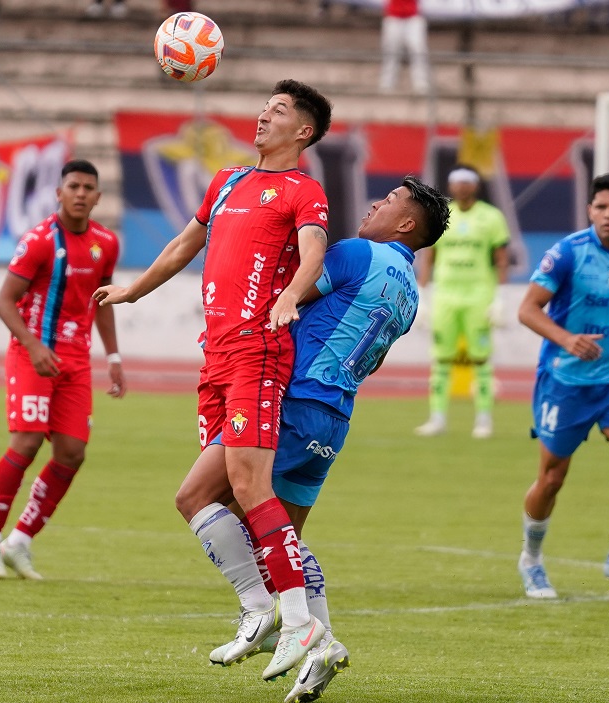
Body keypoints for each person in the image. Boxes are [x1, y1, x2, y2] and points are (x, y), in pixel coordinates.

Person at [175, 177, 450, 702]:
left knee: (195, 497)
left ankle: (259, 613)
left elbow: (289, 292)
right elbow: (374, 358)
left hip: (292, 404)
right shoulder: (410, 293)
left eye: (390, 200)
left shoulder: (357, 254)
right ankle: (323, 647)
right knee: (282, 539)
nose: (376, 203)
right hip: (335, 418)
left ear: (408, 224)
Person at [93, 79, 333, 681]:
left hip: (257, 351)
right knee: (196, 497)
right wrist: (131, 291)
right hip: (217, 359)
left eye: (278, 111)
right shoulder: (227, 181)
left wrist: (290, 298)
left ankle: (301, 620)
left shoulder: (303, 190)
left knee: (250, 487)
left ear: (302, 132)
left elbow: (313, 253)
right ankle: (258, 609)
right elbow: (182, 245)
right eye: (264, 106)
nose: (262, 116)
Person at [0, 159, 126, 581]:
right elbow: (5, 301)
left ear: (97, 196)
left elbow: (103, 302)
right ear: (59, 193)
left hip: (75, 361)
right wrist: (32, 344)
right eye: (73, 186)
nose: (80, 193)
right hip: (32, 354)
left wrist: (113, 358)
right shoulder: (39, 241)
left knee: (72, 452)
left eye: (88, 187)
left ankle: (19, 541)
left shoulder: (106, 244)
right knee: (25, 444)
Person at [516, 173, 609, 600]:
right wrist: (567, 340)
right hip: (565, 382)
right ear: (590, 211)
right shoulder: (567, 254)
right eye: (601, 207)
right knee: (553, 477)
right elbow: (528, 309)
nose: (608, 215)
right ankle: (532, 560)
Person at [414, 165, 510, 439]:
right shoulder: (443, 214)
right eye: (457, 182)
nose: (462, 187)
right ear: (451, 185)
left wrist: (500, 297)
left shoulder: (491, 217)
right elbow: (429, 256)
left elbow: (501, 258)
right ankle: (437, 418)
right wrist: (423, 294)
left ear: (476, 185)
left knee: (480, 360)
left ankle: (483, 419)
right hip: (445, 294)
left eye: (467, 181)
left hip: (478, 295)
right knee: (441, 359)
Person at [378, 0, 430, 96]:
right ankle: (387, 84)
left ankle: (421, 84)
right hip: (393, 15)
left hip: (413, 16)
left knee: (418, 51)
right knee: (390, 52)